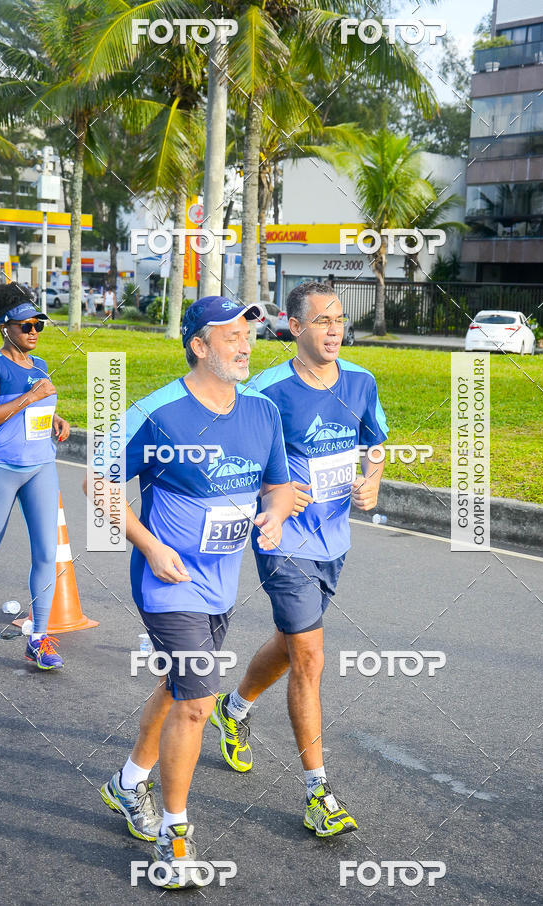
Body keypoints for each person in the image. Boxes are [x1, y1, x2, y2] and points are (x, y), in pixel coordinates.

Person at [90, 296, 294, 889]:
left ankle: (127, 784)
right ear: (198, 346)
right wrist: (150, 545)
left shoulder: (262, 412)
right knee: (199, 702)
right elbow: (96, 480)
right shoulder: (156, 414)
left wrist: (276, 516)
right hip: (167, 580)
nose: (244, 344)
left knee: (179, 687)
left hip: (221, 583)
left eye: (248, 334)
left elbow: (280, 486)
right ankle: (173, 839)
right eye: (229, 335)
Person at [211, 281, 388, 837]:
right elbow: (231, 462)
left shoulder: (360, 382)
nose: (334, 330)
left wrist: (373, 484)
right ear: (294, 327)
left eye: (339, 320)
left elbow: (375, 444)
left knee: (292, 646)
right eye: (322, 321)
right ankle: (318, 793)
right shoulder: (265, 392)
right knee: (311, 657)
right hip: (283, 542)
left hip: (335, 540)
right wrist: (274, 495)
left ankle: (233, 709)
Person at [0, 282, 70, 669]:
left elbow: (33, 413)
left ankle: (38, 638)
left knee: (47, 554)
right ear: (6, 327)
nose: (34, 331)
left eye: (40, 324)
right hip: (1, 469)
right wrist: (28, 399)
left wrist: (54, 419)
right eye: (26, 325)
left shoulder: (40, 366)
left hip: (41, 466)